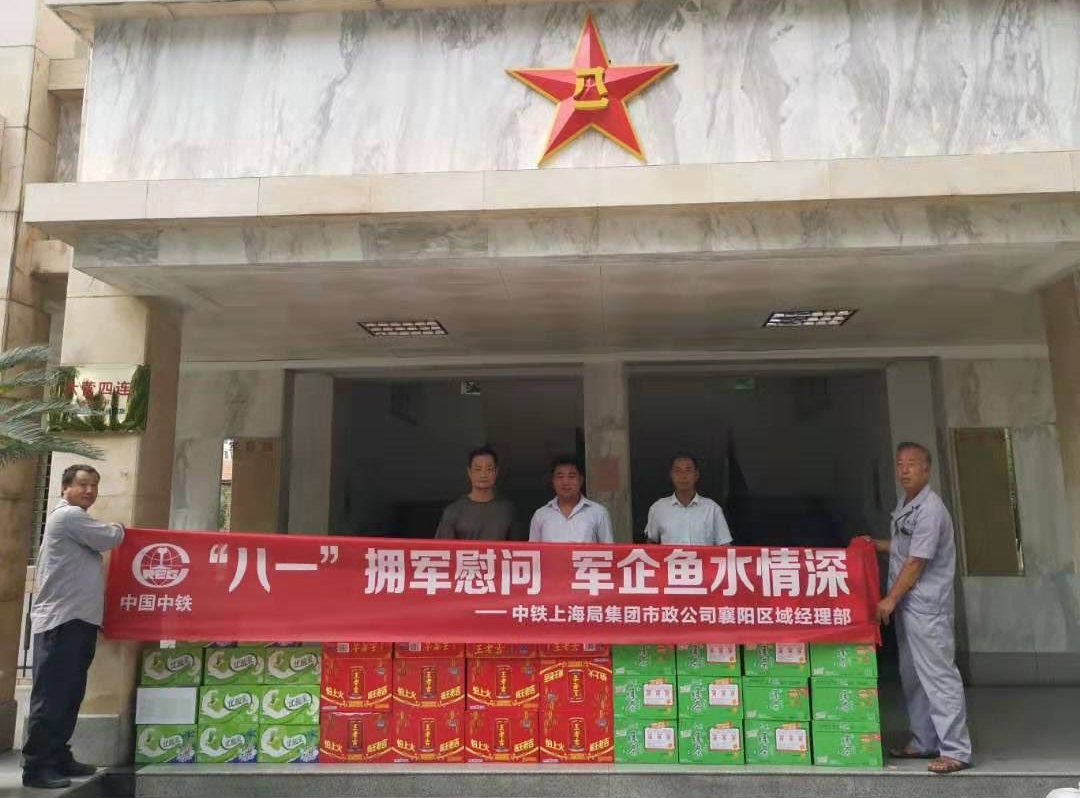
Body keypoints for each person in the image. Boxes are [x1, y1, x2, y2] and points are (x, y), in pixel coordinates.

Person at [863, 442, 972, 775]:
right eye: (900, 464)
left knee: (938, 677)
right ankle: (924, 741)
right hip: (911, 606)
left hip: (927, 607)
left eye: (912, 463)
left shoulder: (930, 509)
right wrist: (875, 545)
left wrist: (890, 599)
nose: (904, 470)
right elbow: (903, 547)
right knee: (913, 677)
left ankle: (956, 750)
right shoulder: (906, 504)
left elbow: (915, 561)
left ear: (927, 469)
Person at [23, 465, 125, 789]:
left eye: (94, 485)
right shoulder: (69, 517)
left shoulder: (75, 519)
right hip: (61, 622)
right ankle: (37, 766)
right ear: (64, 487)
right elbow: (110, 536)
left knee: (68, 694)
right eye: (82, 484)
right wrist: (121, 528)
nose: (89, 491)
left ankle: (58, 755)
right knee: (52, 697)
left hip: (77, 621)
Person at [644, 453, 733, 546]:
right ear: (671, 475)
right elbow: (650, 544)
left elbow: (725, 546)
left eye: (688, 470)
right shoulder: (658, 508)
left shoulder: (712, 509)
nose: (683, 476)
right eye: (677, 470)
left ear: (696, 475)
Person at [435, 446, 517, 540]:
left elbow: (516, 546)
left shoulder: (507, 509)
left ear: (496, 472)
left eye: (489, 469)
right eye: (478, 469)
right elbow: (443, 547)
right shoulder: (453, 511)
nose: (483, 474)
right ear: (469, 472)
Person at [529, 456, 614, 543]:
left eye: (571, 476)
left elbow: (609, 549)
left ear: (580, 480)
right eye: (560, 477)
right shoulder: (540, 515)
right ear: (552, 482)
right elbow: (533, 550)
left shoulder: (599, 513)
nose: (565, 482)